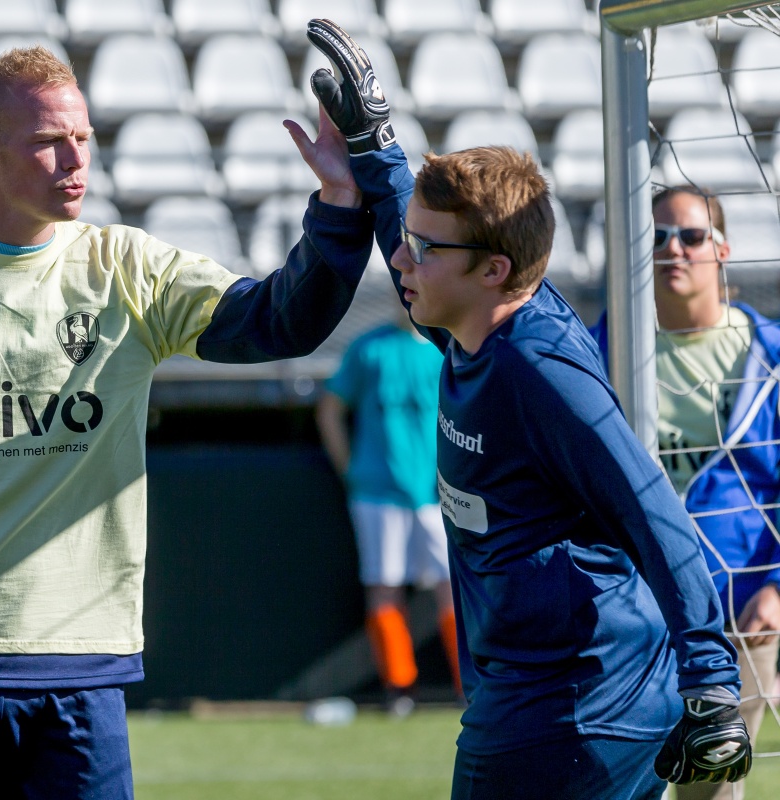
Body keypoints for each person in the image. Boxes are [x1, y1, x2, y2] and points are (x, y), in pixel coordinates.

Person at [0, 45, 377, 797]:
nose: (74, 160)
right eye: (47, 141)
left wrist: (341, 206)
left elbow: (280, 322)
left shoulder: (128, 269)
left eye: (83, 138)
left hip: (80, 663)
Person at [304, 18, 751, 799]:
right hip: (548, 696)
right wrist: (374, 144)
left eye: (422, 249)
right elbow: (416, 221)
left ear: (494, 270)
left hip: (576, 709)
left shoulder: (540, 373)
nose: (400, 257)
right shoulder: (476, 318)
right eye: (408, 240)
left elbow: (654, 512)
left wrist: (711, 680)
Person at [592, 186, 780, 800]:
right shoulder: (600, 351)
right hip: (629, 615)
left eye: (692, 236)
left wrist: (777, 588)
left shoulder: (770, 355)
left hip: (739, 615)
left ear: (722, 249)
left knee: (709, 792)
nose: (673, 249)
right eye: (657, 237)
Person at [315, 313, 459, 714]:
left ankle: (471, 686)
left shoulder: (446, 349)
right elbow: (330, 409)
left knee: (453, 586)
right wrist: (351, 471)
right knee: (384, 585)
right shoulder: (369, 347)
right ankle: (399, 690)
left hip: (438, 493)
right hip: (378, 492)